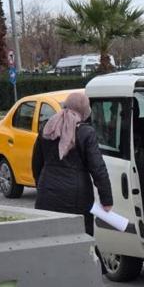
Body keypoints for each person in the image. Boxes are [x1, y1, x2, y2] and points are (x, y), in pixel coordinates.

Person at [32, 92, 113, 235]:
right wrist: (106, 200)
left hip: (47, 193)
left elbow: (36, 162)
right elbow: (98, 168)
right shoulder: (86, 133)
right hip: (76, 197)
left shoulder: (47, 127)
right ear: (85, 111)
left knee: (47, 238)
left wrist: (42, 185)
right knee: (78, 238)